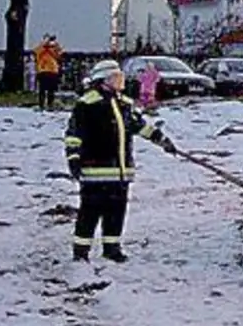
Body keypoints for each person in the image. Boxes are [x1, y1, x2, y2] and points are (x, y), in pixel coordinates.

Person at [64, 59, 175, 262]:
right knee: (90, 213)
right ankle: (81, 252)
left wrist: (162, 140)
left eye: (120, 77)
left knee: (116, 213)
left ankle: (112, 248)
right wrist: (74, 158)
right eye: (115, 77)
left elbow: (140, 126)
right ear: (103, 80)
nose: (120, 81)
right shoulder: (88, 104)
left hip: (121, 173)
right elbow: (74, 134)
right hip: (94, 172)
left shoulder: (124, 103)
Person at [33, 34, 63, 111]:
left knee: (51, 90)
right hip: (42, 70)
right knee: (42, 90)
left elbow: (59, 56)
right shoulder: (40, 48)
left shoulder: (56, 48)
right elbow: (36, 53)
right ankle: (41, 105)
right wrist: (45, 46)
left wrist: (52, 47)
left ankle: (50, 105)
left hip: (53, 70)